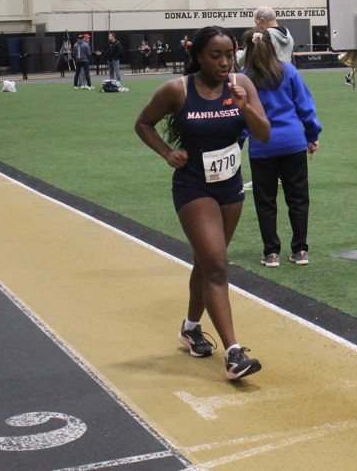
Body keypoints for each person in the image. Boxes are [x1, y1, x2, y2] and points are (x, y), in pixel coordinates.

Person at [134, 26, 270, 380]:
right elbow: (143, 123)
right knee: (218, 267)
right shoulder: (177, 90)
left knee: (207, 263)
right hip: (194, 187)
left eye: (229, 55)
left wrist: (245, 107)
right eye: (215, 56)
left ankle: (191, 328)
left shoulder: (242, 84)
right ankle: (234, 353)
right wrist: (167, 153)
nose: (224, 62)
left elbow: (263, 133)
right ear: (197, 56)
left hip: (230, 187)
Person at [241, 26, 321, 267]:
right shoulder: (289, 71)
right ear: (273, 46)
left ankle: (271, 252)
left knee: (265, 201)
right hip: (292, 142)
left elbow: (241, 118)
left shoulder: (243, 78)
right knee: (298, 198)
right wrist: (311, 135)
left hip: (262, 146)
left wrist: (236, 145)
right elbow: (305, 108)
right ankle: (300, 250)